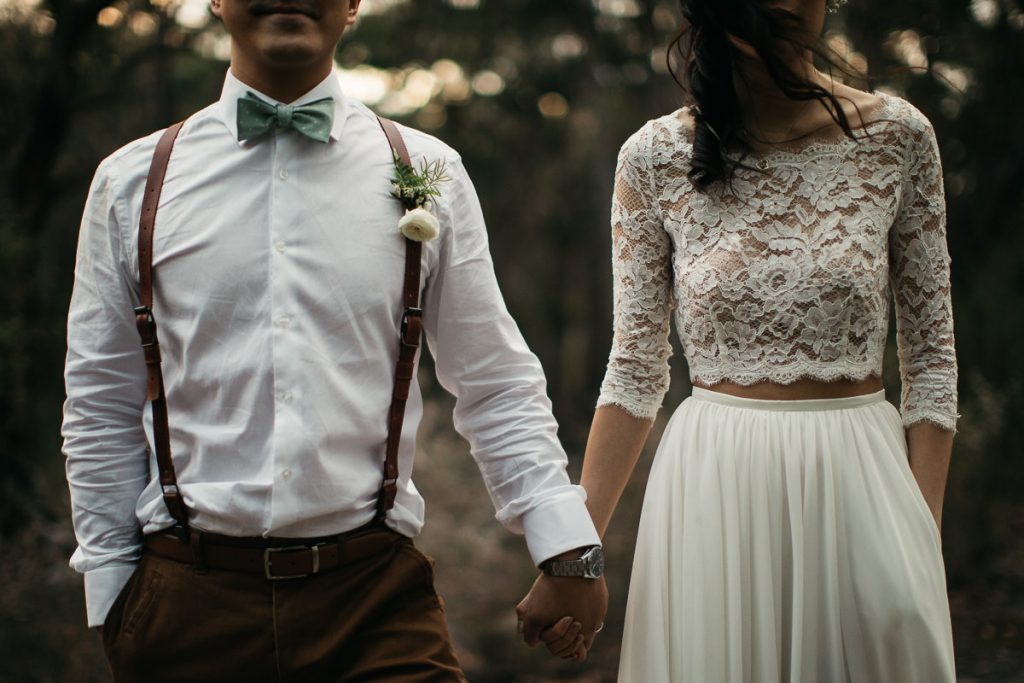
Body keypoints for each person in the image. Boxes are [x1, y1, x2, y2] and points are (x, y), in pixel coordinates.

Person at [62, 0, 607, 679]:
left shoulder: (427, 170)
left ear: (353, 5)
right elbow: (99, 402)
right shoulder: (131, 184)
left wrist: (566, 548)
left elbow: (494, 383)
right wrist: (115, 595)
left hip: (374, 603)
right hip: (187, 602)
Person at [528, 0, 958, 679]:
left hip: (865, 485)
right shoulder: (652, 157)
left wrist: (919, 534)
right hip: (713, 491)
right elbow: (636, 371)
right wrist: (576, 553)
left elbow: (932, 363)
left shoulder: (899, 137)